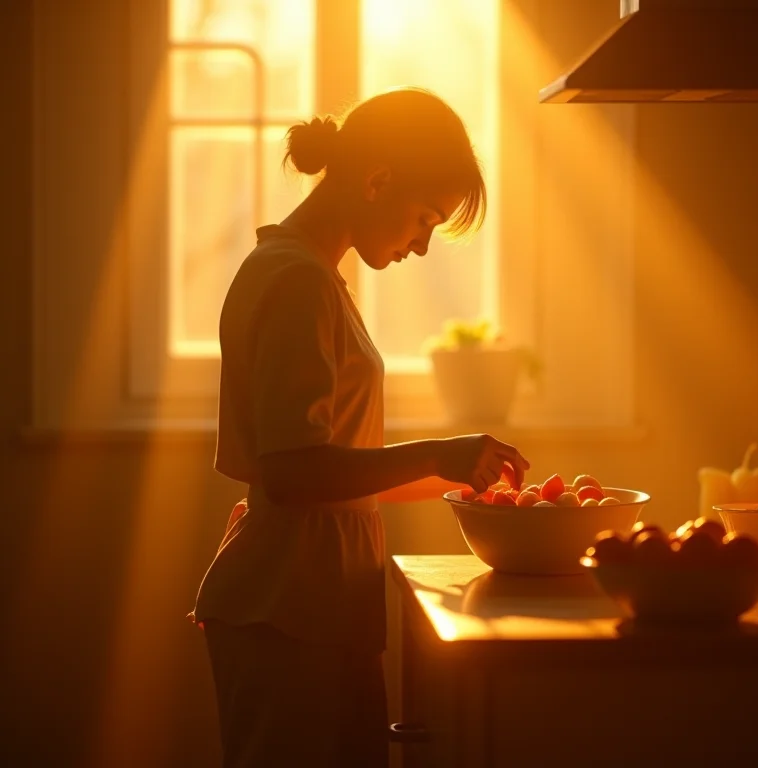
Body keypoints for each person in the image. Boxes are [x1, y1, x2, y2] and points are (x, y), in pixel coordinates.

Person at [190, 86, 529, 768]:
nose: (423, 245)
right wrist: (439, 450)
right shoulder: (296, 282)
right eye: (425, 218)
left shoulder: (313, 276)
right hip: (286, 607)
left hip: (314, 601)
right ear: (377, 181)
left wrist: (461, 479)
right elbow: (293, 472)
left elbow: (337, 470)